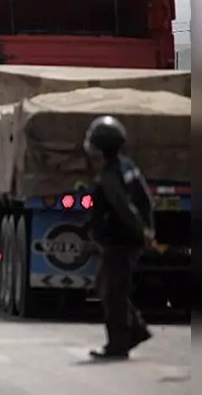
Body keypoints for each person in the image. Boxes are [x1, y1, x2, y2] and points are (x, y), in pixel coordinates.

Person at [84, 115, 155, 360]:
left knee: (112, 290)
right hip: (126, 239)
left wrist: (141, 231)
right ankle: (134, 330)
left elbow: (124, 208)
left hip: (120, 240)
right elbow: (145, 199)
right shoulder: (127, 166)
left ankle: (119, 341)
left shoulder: (110, 176)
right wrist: (147, 227)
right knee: (108, 286)